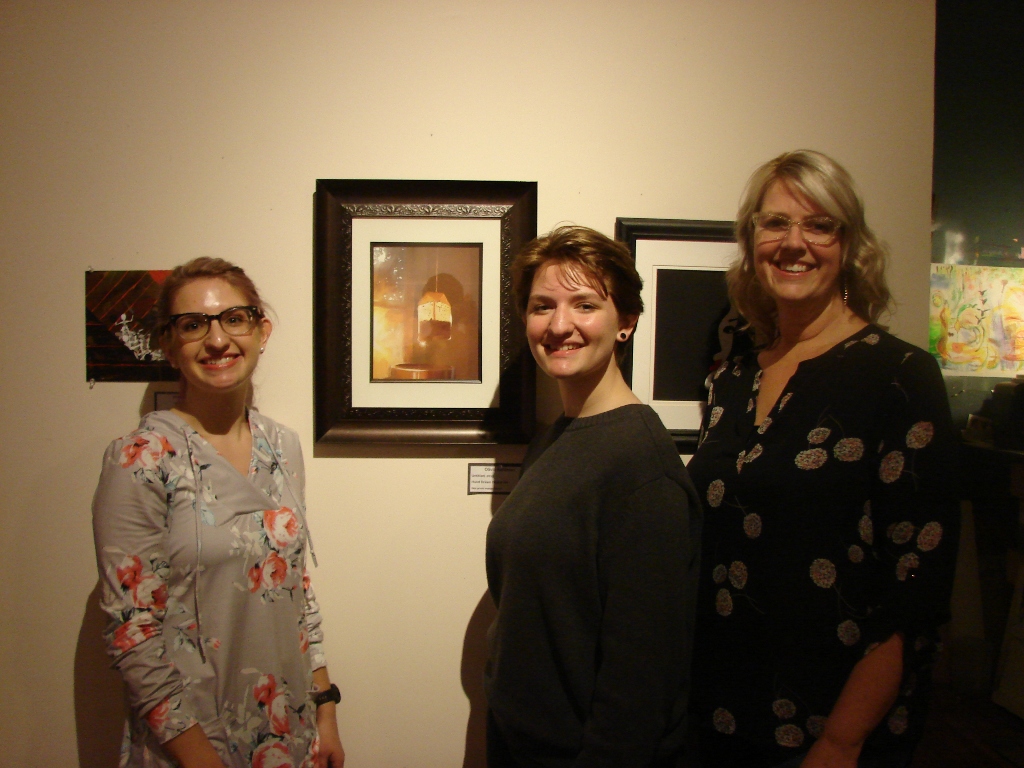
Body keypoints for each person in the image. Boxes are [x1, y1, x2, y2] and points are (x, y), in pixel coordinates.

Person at [686, 150, 959, 768]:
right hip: (722, 716)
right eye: (775, 223)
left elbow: (917, 581)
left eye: (819, 225)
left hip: (835, 730)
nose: (794, 243)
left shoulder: (900, 376)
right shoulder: (731, 379)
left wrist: (841, 740)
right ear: (751, 240)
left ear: (849, 244)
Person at [92, 258, 345, 768]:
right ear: (168, 345)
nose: (217, 340)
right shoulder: (141, 458)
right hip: (191, 743)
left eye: (234, 318)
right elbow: (132, 631)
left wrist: (325, 710)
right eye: (193, 324)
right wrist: (199, 759)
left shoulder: (282, 446)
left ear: (261, 331)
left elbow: (296, 589)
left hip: (288, 733)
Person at [485, 225, 702, 767]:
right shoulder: (557, 436)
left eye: (584, 304)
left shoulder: (641, 464)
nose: (560, 325)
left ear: (626, 321)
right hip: (524, 743)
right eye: (543, 306)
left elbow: (641, 680)